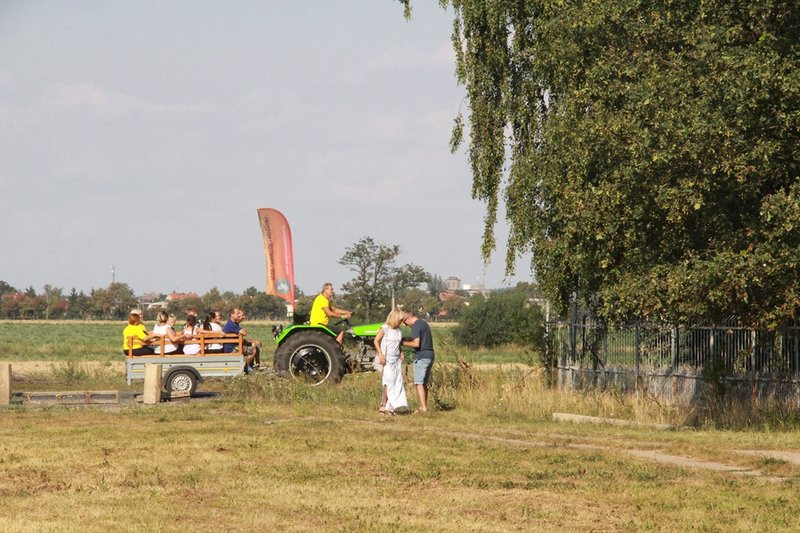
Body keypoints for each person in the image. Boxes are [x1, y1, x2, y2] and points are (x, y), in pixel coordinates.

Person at [373, 308, 408, 415]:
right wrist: (381, 354)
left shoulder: (399, 331)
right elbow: (376, 341)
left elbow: (398, 344)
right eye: (400, 319)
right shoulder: (385, 328)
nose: (401, 322)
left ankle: (391, 406)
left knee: (396, 382)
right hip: (386, 360)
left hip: (396, 360)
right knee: (387, 382)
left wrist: (401, 352)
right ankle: (383, 405)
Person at [401, 310, 435, 413]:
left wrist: (402, 342)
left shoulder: (415, 325)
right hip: (430, 355)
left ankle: (423, 408)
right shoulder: (424, 323)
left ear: (407, 318)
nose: (406, 326)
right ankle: (423, 406)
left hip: (421, 356)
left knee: (418, 383)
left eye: (405, 323)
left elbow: (416, 344)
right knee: (424, 383)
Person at [223, 308, 260, 373]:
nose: (239, 315)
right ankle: (247, 368)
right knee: (253, 350)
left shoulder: (233, 323)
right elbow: (244, 333)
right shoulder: (231, 324)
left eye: (240, 314)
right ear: (232, 315)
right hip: (232, 348)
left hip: (235, 345)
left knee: (255, 345)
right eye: (237, 314)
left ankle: (254, 365)